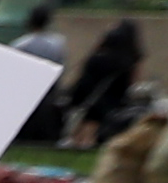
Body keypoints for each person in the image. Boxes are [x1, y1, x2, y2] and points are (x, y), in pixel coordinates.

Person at [55, 18, 142, 147]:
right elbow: (130, 85)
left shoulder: (96, 59)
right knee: (94, 136)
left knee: (81, 134)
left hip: (91, 103)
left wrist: (74, 99)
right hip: (112, 107)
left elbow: (83, 82)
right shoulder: (129, 62)